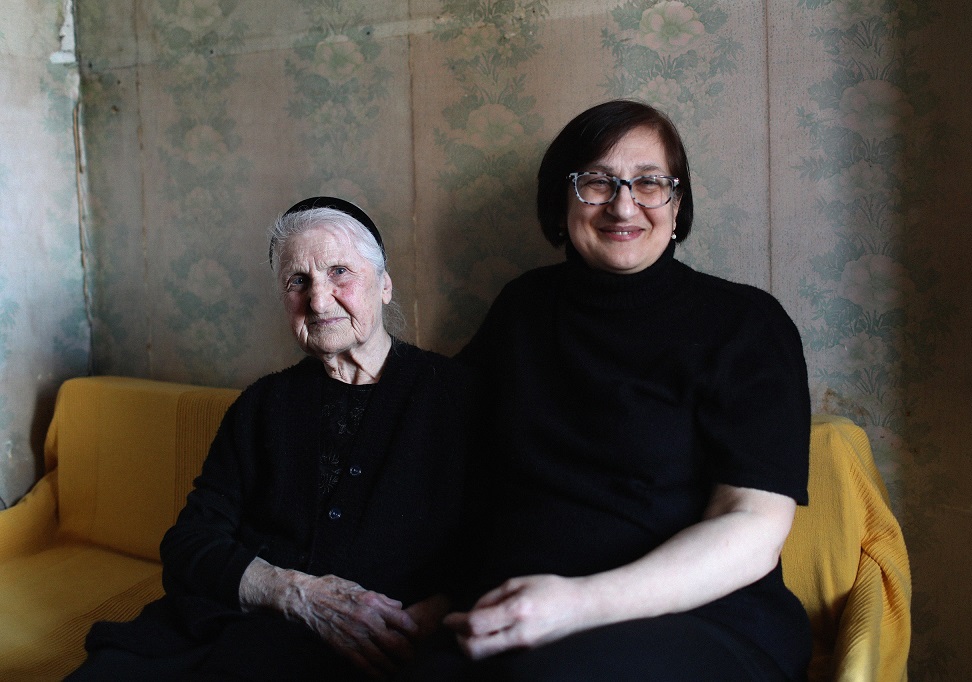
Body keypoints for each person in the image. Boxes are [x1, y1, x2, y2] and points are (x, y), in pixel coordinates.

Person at [407, 100, 813, 681]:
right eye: (597, 182)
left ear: (678, 203)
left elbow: (752, 527)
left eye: (649, 182)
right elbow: (452, 466)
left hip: (699, 620)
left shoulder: (745, 324)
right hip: (517, 612)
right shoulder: (522, 309)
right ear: (563, 199)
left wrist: (573, 606)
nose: (623, 205)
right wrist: (442, 596)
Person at [69, 197, 474, 681]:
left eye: (340, 271)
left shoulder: (457, 395)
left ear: (384, 285)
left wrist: (429, 616)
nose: (319, 301)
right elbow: (190, 542)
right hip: (240, 624)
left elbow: (502, 536)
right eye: (298, 281)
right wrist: (291, 592)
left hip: (380, 645)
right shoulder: (264, 404)